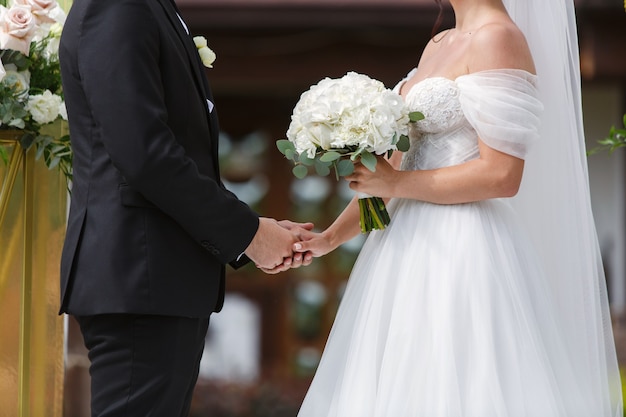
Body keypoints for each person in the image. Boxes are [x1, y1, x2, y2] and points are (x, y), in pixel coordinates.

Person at [291, 0, 623, 415]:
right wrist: (327, 240)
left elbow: (502, 176)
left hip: (462, 247)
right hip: (399, 250)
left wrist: (396, 182)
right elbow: (394, 173)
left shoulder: (499, 38)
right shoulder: (439, 42)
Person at [58, 0, 310, 415]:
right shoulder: (118, 6)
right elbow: (144, 154)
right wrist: (248, 234)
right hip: (139, 276)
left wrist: (254, 230)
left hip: (158, 279)